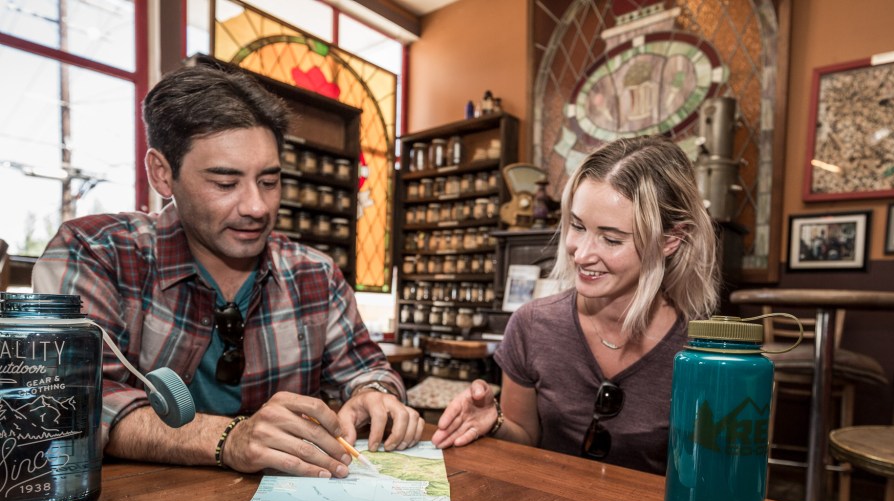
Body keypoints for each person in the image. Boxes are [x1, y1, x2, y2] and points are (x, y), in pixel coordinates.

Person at [32, 61, 423, 479]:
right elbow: (66, 405)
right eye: (225, 183)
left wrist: (374, 394)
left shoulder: (316, 275)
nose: (257, 207)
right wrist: (229, 438)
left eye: (269, 182)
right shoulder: (97, 252)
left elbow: (369, 369)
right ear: (162, 174)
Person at [432, 135, 720, 474]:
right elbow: (525, 440)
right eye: (578, 226)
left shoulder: (703, 351)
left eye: (611, 239)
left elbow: (706, 474)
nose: (581, 254)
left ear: (670, 240)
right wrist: (494, 423)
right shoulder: (531, 325)